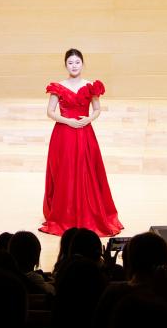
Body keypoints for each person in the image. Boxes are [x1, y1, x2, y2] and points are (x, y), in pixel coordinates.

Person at [41, 48, 123, 237]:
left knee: (87, 171)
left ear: (83, 64)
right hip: (64, 134)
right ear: (65, 65)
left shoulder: (90, 86)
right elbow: (50, 112)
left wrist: (88, 119)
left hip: (85, 132)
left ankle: (87, 212)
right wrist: (68, 121)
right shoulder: (58, 87)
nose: (74, 66)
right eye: (70, 63)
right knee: (65, 171)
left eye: (77, 62)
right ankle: (65, 213)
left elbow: (97, 109)